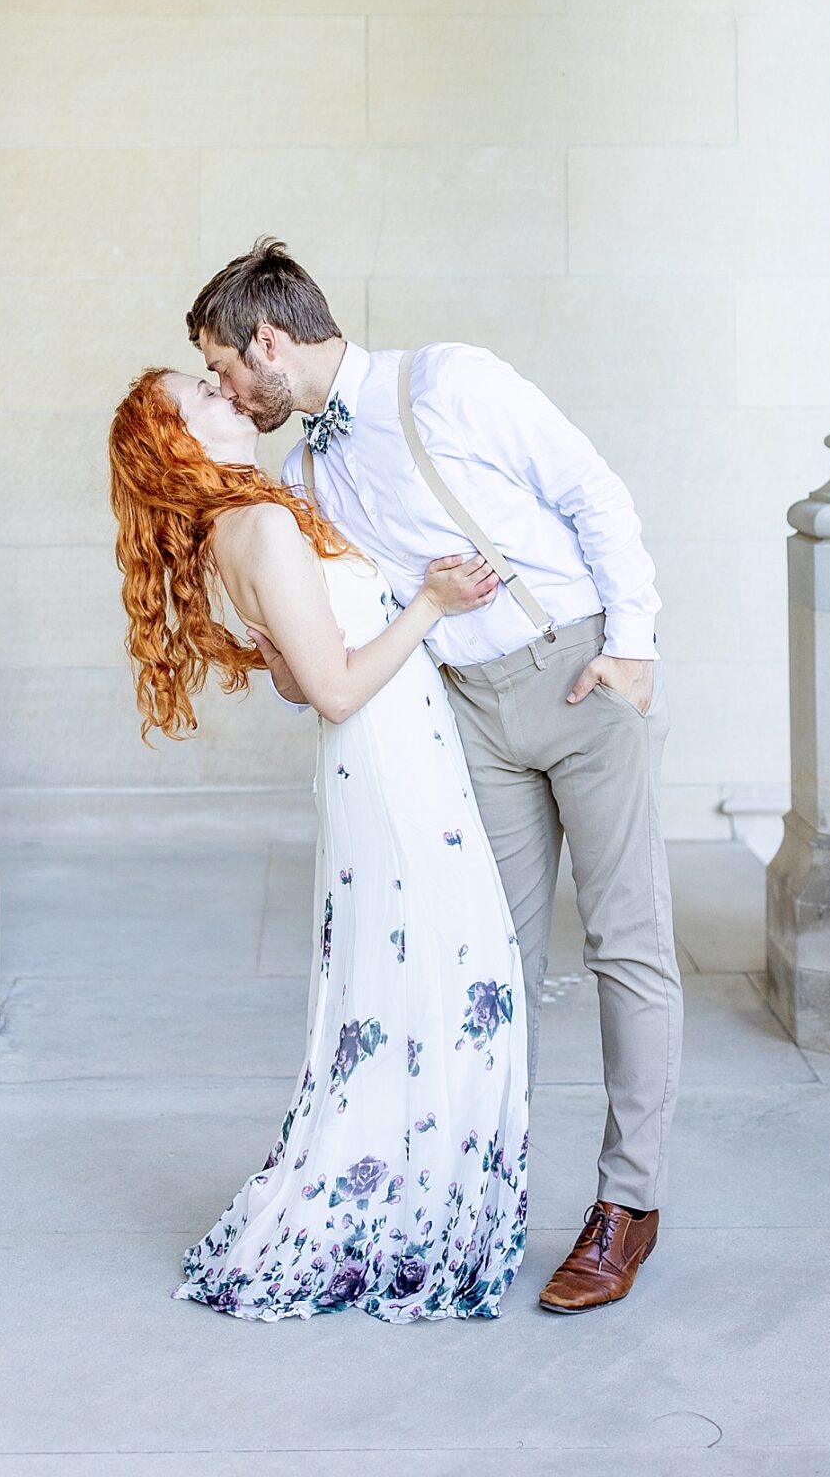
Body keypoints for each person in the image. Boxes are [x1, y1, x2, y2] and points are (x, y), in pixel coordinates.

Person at [188, 240, 683, 1316]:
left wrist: (632, 644)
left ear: (269, 341)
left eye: (225, 370)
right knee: (493, 966)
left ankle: (627, 1205)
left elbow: (590, 489)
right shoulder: (303, 475)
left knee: (626, 943)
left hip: (577, 669)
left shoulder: (450, 380)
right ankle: (483, 1190)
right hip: (468, 714)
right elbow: (337, 636)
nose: (227, 390)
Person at [108, 365, 529, 1322]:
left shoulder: (242, 526)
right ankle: (406, 1217)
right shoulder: (254, 529)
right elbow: (332, 689)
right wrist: (428, 604)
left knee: (432, 979)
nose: (230, 396)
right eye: (205, 397)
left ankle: (423, 1206)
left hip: (393, 754)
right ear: (178, 443)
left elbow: (300, 682)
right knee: (450, 979)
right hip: (385, 758)